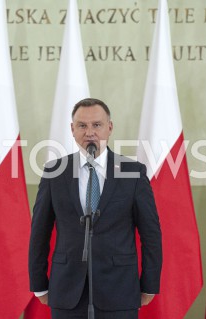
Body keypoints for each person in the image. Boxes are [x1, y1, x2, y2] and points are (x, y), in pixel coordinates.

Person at [29, 98, 163, 318]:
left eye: (97, 125)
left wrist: (149, 284)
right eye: (82, 125)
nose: (90, 132)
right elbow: (39, 232)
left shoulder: (132, 172)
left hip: (119, 289)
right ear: (72, 129)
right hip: (67, 290)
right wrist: (39, 283)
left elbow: (151, 234)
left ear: (109, 127)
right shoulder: (55, 171)